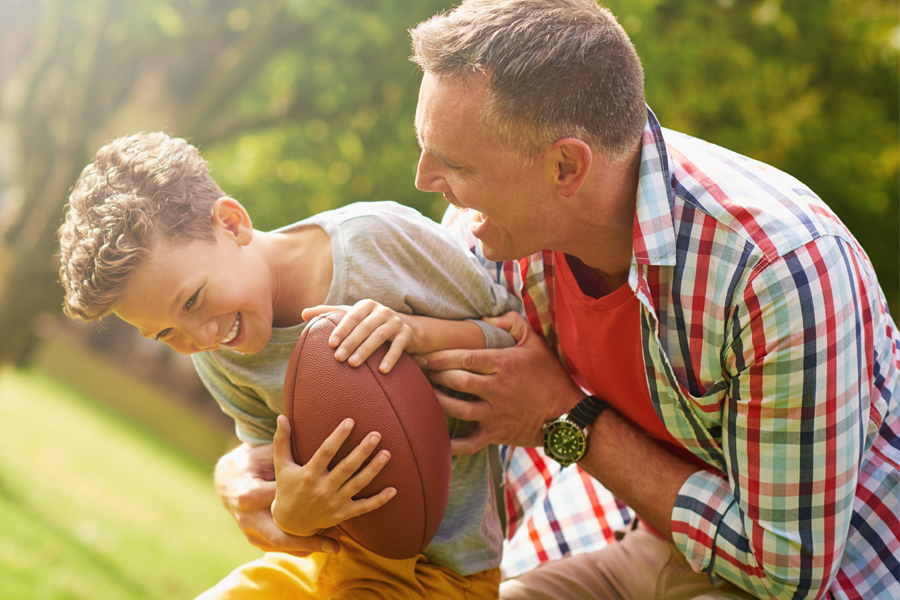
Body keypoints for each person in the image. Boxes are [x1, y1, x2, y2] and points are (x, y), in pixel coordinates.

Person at [400, 0, 900, 599]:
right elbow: (417, 388)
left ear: (565, 166)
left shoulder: (775, 272)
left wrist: (566, 419)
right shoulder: (500, 234)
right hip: (642, 531)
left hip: (834, 563)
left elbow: (787, 572)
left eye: (454, 163)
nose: (424, 179)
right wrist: (278, 470)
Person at [56, 132, 524, 599]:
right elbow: (274, 476)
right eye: (165, 334)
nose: (202, 337)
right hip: (328, 559)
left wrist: (416, 332)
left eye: (194, 300)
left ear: (232, 224)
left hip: (441, 573)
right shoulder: (219, 358)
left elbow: (514, 340)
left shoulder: (377, 243)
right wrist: (291, 515)